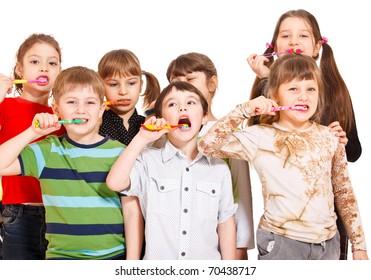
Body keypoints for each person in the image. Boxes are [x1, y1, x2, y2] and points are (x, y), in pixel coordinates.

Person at [199, 54, 368, 260]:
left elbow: (344, 192)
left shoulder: (329, 137)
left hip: (328, 246)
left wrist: (359, 246)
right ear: (275, 96)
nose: (303, 97)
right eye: (293, 89)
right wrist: (244, 110)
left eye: (310, 89)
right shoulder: (259, 136)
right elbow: (207, 145)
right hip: (281, 243)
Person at [246, 9, 362, 260]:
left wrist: (342, 141)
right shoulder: (264, 84)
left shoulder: (336, 89)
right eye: (286, 36)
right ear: (274, 45)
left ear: (317, 46)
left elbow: (354, 152)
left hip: (328, 223)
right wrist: (269, 80)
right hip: (284, 227)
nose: (294, 42)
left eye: (303, 36)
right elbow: (259, 135)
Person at [0, 66, 126, 259]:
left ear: (101, 109)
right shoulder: (48, 150)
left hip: (114, 256)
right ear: (57, 109)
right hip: (62, 258)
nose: (81, 110)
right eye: (71, 102)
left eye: (90, 102)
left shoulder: (119, 152)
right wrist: (32, 132)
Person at [107, 81, 237, 260]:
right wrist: (142, 138)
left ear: (204, 117)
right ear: (162, 119)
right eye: (172, 104)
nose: (182, 108)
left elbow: (225, 222)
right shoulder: (148, 160)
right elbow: (115, 182)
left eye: (190, 103)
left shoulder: (219, 169)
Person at [166, 52, 254, 259]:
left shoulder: (230, 134)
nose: (183, 87)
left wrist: (239, 248)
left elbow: (241, 195)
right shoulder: (164, 135)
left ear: (212, 83)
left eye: (190, 79)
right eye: (175, 82)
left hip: (217, 244)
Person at [0, 33, 65, 260]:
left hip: (58, 213)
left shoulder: (63, 114)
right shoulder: (6, 105)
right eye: (35, 62)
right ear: (19, 70)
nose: (44, 69)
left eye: (52, 63)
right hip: (17, 211)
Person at [97, 49, 160, 259]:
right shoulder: (94, 125)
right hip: (103, 214)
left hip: (145, 218)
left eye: (131, 83)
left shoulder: (148, 127)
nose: (123, 91)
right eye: (113, 84)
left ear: (141, 85)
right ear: (101, 86)